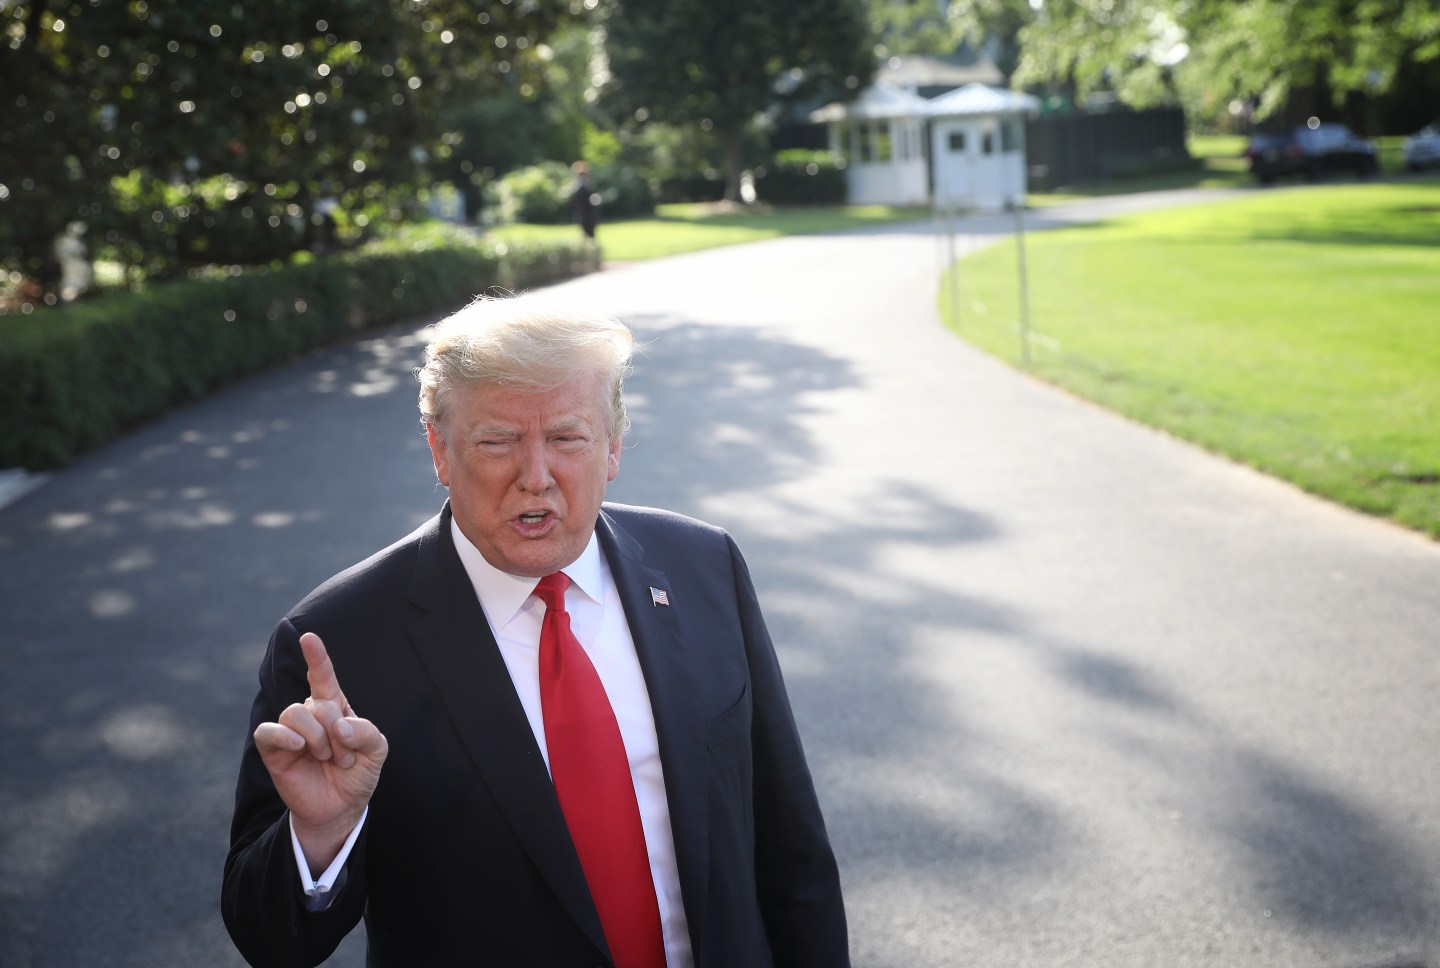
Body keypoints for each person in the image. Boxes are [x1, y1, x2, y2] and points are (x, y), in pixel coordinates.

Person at [221, 296, 849, 967]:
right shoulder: (335, 643)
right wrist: (319, 835)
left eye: (567, 438)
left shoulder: (703, 567)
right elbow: (269, 939)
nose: (536, 476)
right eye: (498, 441)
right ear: (440, 449)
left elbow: (791, 851)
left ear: (612, 447)